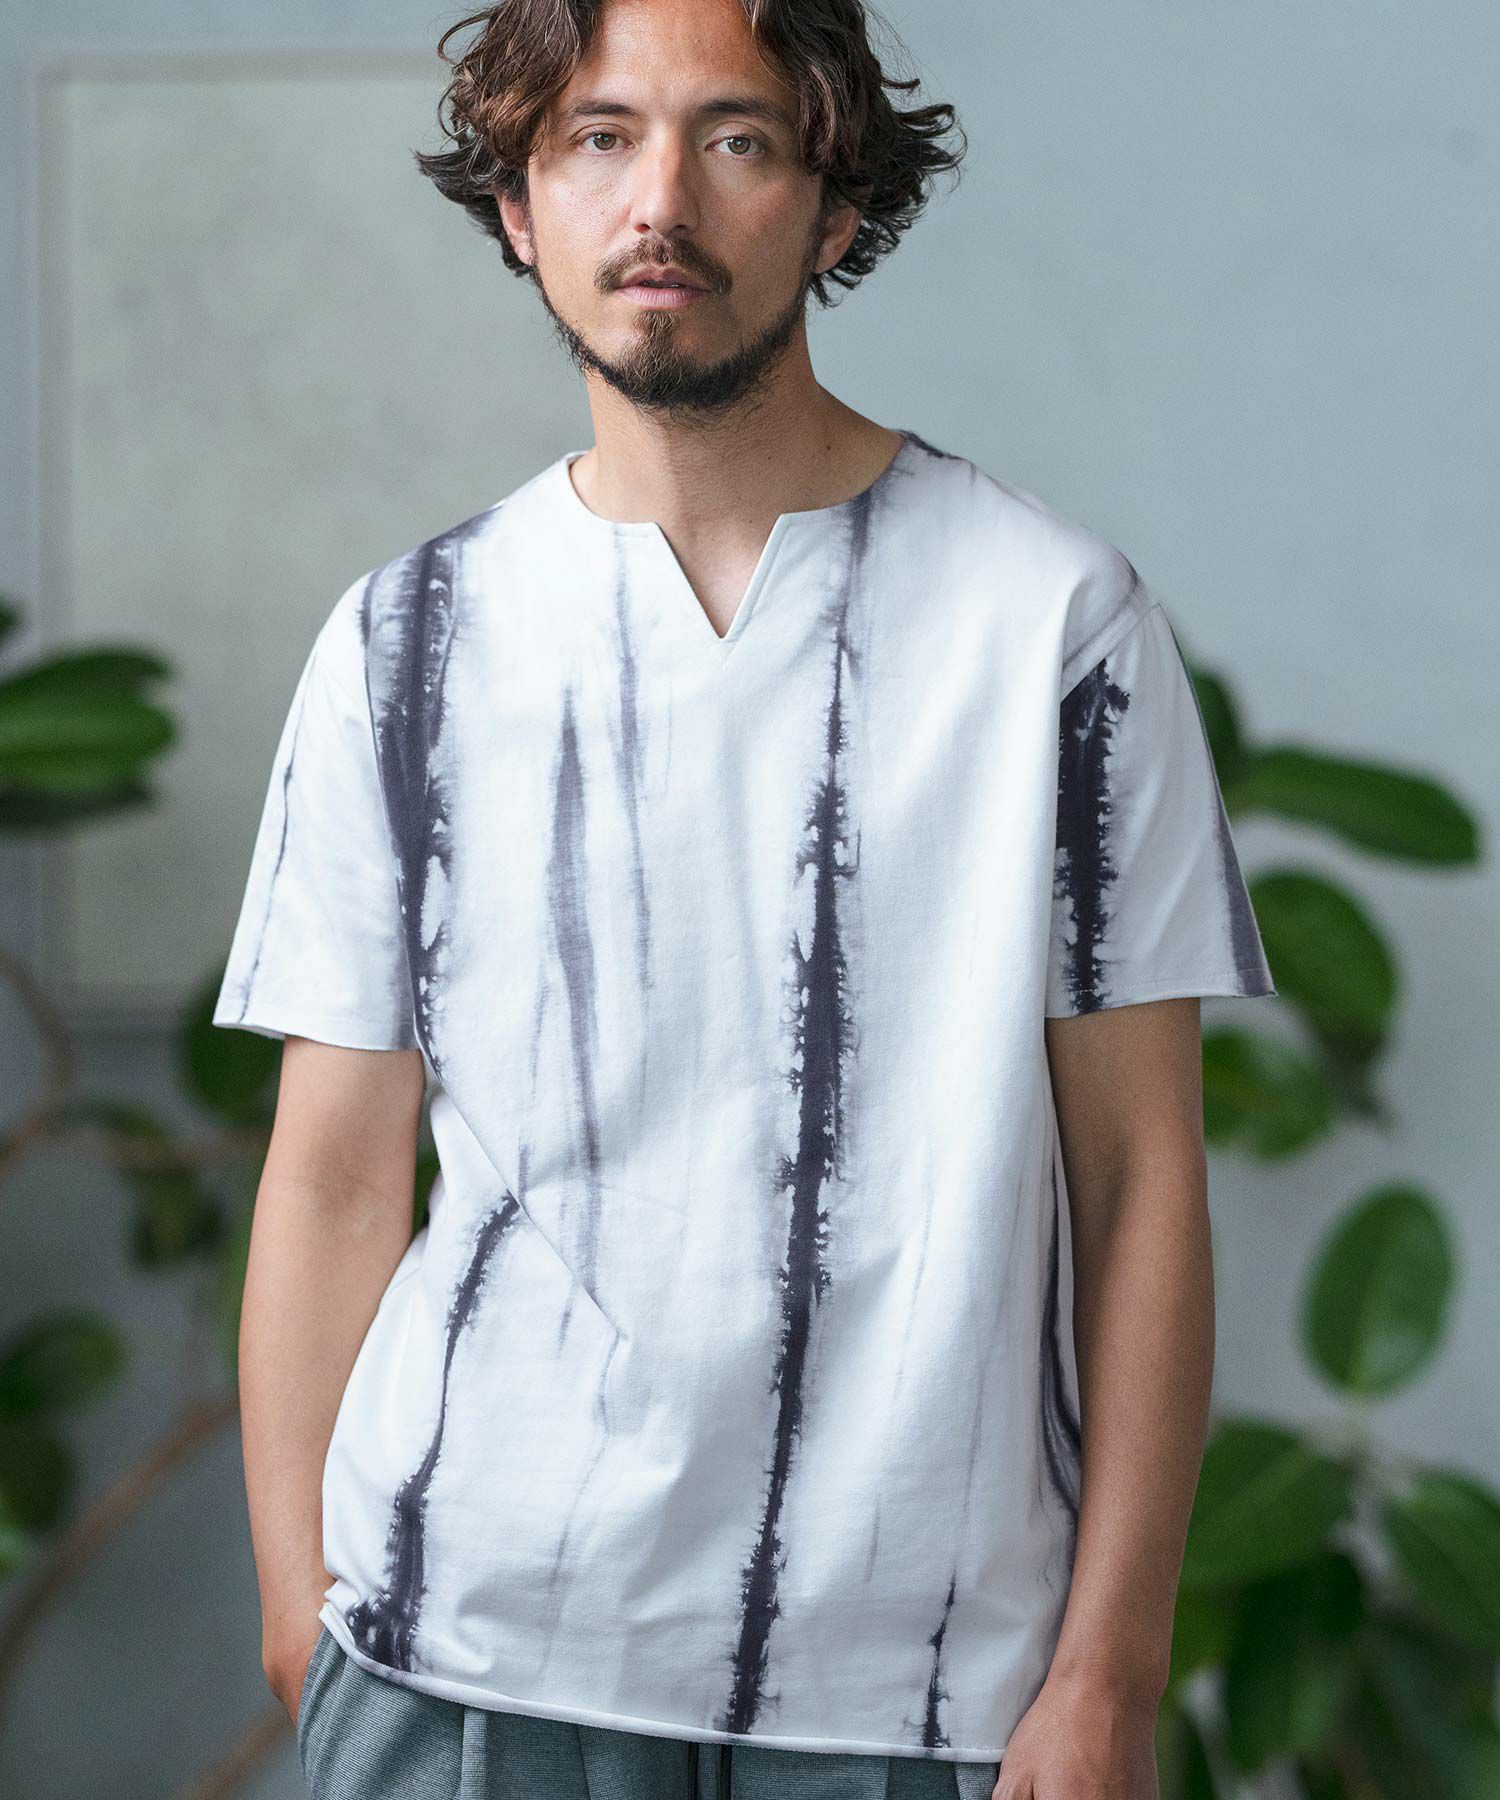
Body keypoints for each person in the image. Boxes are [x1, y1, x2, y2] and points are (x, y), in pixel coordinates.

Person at [212, 0, 1277, 1795]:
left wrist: (1110, 1669)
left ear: (835, 203)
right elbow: (331, 1171)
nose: (662, 204)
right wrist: (295, 1613)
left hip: (921, 1692)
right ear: (516, 207)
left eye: (737, 138)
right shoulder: (405, 643)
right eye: (597, 138)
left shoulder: (1051, 624)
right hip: (461, 1659)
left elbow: (1140, 1176)